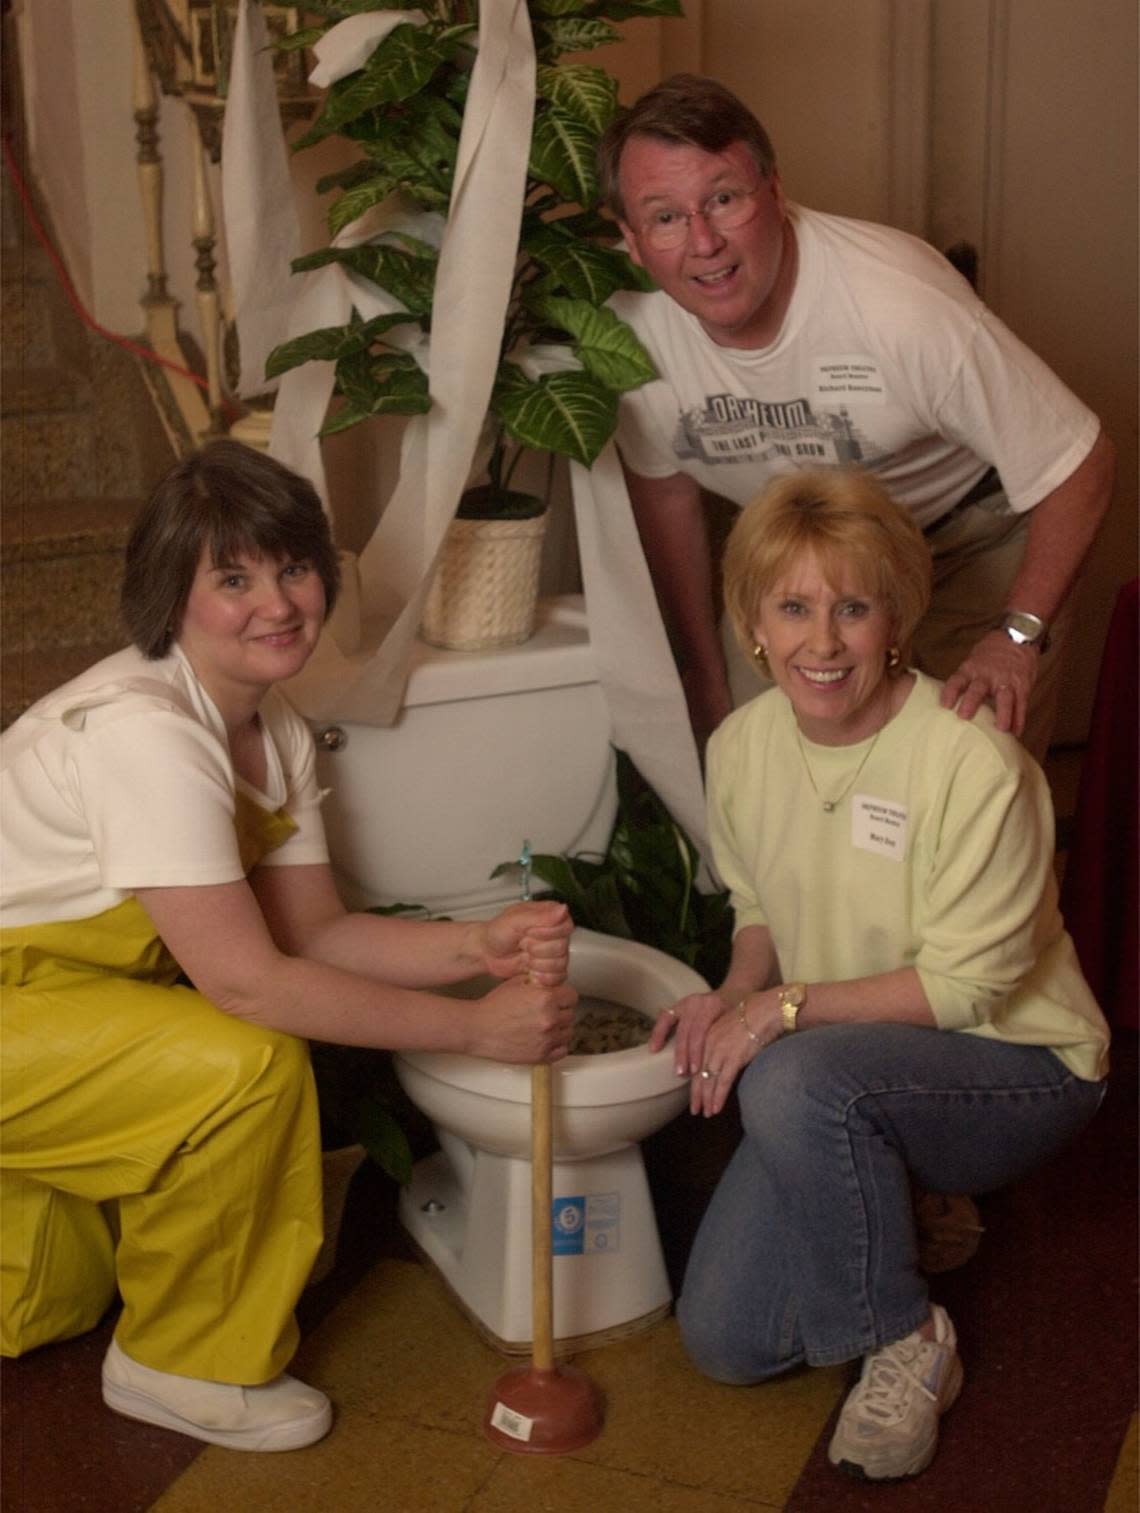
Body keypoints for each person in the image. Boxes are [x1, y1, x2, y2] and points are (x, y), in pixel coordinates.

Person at [0, 440, 577, 1452]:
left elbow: (317, 932)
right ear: (171, 595)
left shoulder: (273, 728)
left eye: (294, 567)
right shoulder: (148, 732)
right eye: (233, 578)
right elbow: (253, 983)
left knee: (51, 1296)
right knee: (243, 1062)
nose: (278, 602)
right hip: (22, 1003)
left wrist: (475, 944)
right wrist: (476, 1031)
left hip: (56, 1006)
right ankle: (182, 1363)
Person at [649, 467, 1108, 1481]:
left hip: (1016, 1062)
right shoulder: (740, 748)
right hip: (843, 1061)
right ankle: (899, 1187)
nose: (822, 641)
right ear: (753, 621)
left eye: (852, 607)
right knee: (728, 1340)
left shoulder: (970, 760)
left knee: (795, 1079)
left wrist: (782, 1012)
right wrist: (731, 995)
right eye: (795, 607)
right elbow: (761, 909)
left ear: (894, 616)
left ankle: (906, 1337)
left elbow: (968, 988)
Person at [597, 73, 1115, 762]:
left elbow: (1080, 462)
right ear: (631, 240)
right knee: (768, 774)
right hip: (792, 560)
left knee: (972, 781)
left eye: (723, 199)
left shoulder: (901, 305)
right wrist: (700, 671)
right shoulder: (623, 330)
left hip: (966, 546)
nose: (703, 242)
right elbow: (665, 489)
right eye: (664, 217)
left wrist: (1016, 636)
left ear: (775, 193)